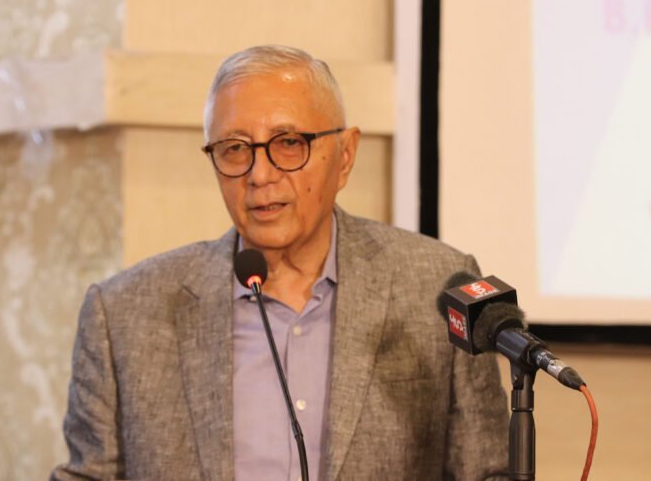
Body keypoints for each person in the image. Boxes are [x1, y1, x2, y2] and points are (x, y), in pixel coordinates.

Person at [51, 45, 509, 480]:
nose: (260, 175)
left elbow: (485, 471)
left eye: (289, 143)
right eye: (234, 148)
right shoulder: (124, 314)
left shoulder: (435, 289)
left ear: (345, 156)